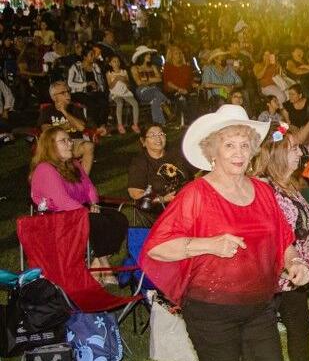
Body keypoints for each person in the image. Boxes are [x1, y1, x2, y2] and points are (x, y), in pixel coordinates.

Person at [141, 106, 309, 361]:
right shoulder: (196, 194)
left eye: (243, 144)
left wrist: (294, 263)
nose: (237, 152)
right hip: (211, 308)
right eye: (228, 145)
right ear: (211, 152)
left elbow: (284, 241)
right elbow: (158, 248)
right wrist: (208, 244)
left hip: (259, 306)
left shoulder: (263, 191)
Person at [251, 127, 309, 361]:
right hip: (272, 273)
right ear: (277, 155)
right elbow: (268, 230)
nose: (300, 153)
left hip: (294, 273)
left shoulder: (290, 185)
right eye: (294, 149)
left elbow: (294, 221)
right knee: (260, 331)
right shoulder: (263, 188)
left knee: (299, 325)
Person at [30, 127, 130, 277]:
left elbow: (89, 187)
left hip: (79, 210)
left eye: (69, 140)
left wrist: (94, 204)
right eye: (63, 141)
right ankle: (105, 268)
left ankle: (97, 262)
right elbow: (61, 200)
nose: (70, 144)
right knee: (98, 222)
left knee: (118, 218)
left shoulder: (74, 164)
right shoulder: (45, 168)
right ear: (50, 145)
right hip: (57, 217)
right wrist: (87, 211)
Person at [127, 125, 195, 214]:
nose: (158, 138)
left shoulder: (176, 154)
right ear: (143, 141)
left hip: (188, 201)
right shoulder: (140, 163)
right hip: (160, 209)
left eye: (161, 134)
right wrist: (162, 199)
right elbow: (135, 194)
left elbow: (195, 175)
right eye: (153, 135)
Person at [39, 81, 96, 174]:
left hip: (74, 142)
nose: (68, 94)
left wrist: (64, 111)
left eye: (68, 91)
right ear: (54, 97)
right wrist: (65, 127)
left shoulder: (75, 108)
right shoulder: (47, 110)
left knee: (89, 146)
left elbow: (81, 127)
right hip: (56, 144)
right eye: (63, 93)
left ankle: (84, 180)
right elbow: (45, 129)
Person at [130, 46, 170, 126]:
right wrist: (151, 80)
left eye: (149, 54)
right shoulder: (135, 68)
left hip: (154, 90)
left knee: (156, 100)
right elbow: (138, 82)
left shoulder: (153, 67)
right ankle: (167, 108)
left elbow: (159, 79)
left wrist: (146, 81)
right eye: (147, 54)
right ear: (141, 56)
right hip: (142, 91)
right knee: (156, 91)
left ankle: (160, 123)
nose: (149, 56)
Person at [106, 55, 139, 135]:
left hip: (125, 92)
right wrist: (116, 79)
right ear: (110, 63)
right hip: (116, 93)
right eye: (114, 61)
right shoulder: (109, 73)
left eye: (118, 61)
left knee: (135, 104)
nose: (116, 63)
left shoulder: (124, 72)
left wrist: (124, 80)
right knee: (119, 103)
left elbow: (128, 85)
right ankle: (120, 125)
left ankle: (135, 124)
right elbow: (110, 86)